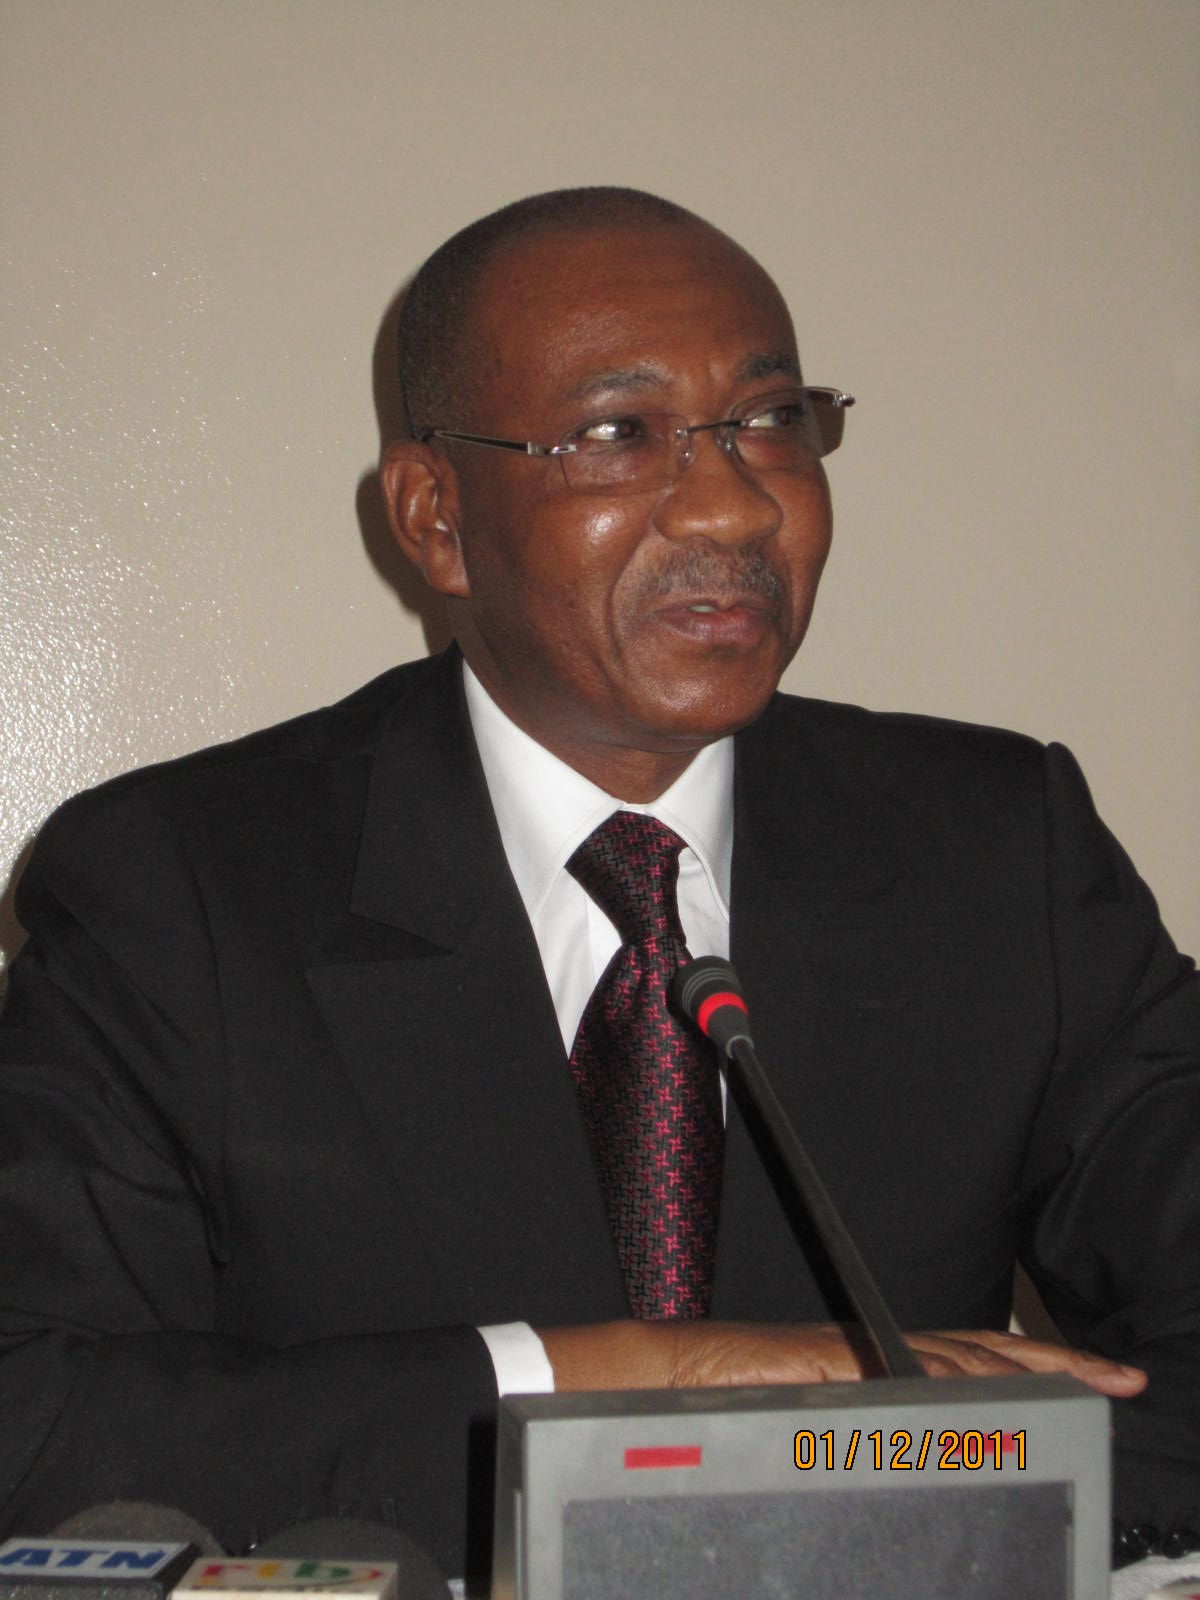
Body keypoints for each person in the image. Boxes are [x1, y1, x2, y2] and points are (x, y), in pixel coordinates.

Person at [0, 187, 1196, 1584]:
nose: (735, 502)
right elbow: (32, 1415)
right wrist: (623, 1383)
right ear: (436, 518)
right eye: (620, 434)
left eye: (772, 420)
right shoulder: (179, 889)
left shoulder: (996, 852)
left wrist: (864, 1461)